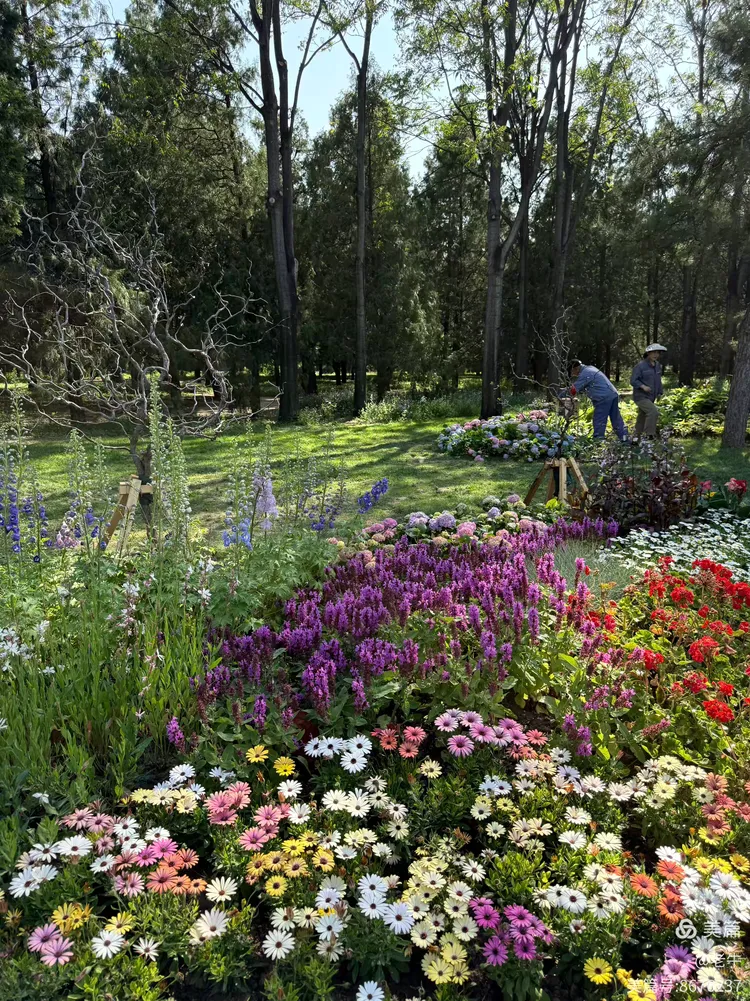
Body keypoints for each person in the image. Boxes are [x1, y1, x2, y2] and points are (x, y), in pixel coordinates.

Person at [569, 360, 627, 440]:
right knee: (616, 419)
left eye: (572, 372)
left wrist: (559, 394)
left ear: (575, 368)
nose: (573, 374)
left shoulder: (585, 373)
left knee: (599, 420)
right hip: (612, 394)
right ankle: (625, 439)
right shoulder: (590, 368)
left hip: (603, 397)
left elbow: (574, 390)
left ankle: (599, 442)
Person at [630, 343, 666, 436]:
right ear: (648, 353)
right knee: (653, 412)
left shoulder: (657, 365)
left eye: (657, 353)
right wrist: (643, 386)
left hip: (651, 396)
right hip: (640, 396)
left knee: (642, 416)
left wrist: (660, 392)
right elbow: (633, 380)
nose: (655, 355)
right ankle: (650, 435)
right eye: (653, 352)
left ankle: (636, 438)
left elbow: (658, 380)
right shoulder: (640, 366)